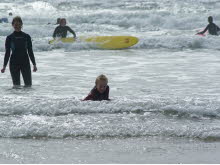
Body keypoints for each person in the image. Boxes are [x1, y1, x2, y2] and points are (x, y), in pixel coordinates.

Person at [1, 16, 37, 87]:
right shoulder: (9, 38)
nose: (17, 26)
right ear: (13, 25)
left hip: (25, 63)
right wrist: (4, 66)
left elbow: (30, 51)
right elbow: (7, 53)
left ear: (21, 24)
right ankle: (17, 98)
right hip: (14, 63)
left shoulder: (26, 36)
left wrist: (34, 64)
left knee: (28, 86)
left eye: (19, 24)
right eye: (15, 24)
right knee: (16, 86)